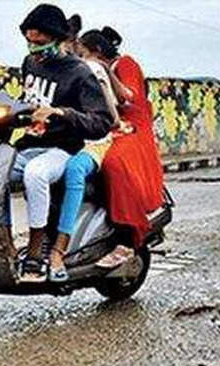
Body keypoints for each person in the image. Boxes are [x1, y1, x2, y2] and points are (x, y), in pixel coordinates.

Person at [8, 4, 114, 283]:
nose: (34, 50)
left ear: (58, 40)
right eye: (29, 42)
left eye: (40, 44)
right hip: (29, 145)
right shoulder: (29, 64)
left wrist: (62, 113)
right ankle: (3, 245)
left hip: (62, 149)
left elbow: (101, 121)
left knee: (36, 174)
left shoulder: (79, 73)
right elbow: (27, 99)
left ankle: (39, 249)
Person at [46, 20, 124, 282]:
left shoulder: (87, 69)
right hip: (71, 137)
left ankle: (62, 245)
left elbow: (108, 118)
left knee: (74, 170)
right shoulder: (54, 71)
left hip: (95, 138)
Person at [84, 26, 166, 269]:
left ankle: (126, 238)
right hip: (109, 126)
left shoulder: (124, 64)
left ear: (97, 52)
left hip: (133, 128)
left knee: (112, 163)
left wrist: (106, 73)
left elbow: (127, 97)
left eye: (83, 54)